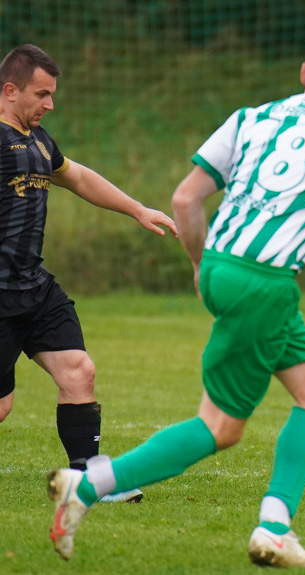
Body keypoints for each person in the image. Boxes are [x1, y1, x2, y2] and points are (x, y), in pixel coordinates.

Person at [46, 24, 305, 568]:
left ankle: (275, 525)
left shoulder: (252, 117)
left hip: (224, 266)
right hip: (264, 281)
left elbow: (186, 198)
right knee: (220, 427)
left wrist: (200, 263)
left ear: (304, 74)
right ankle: (89, 487)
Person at [0, 45, 177, 503]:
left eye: (52, 94)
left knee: (79, 371)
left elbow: (77, 177)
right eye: (42, 94)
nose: (50, 104)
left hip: (33, 286)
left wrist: (137, 209)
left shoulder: (39, 140)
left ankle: (88, 482)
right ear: (10, 90)